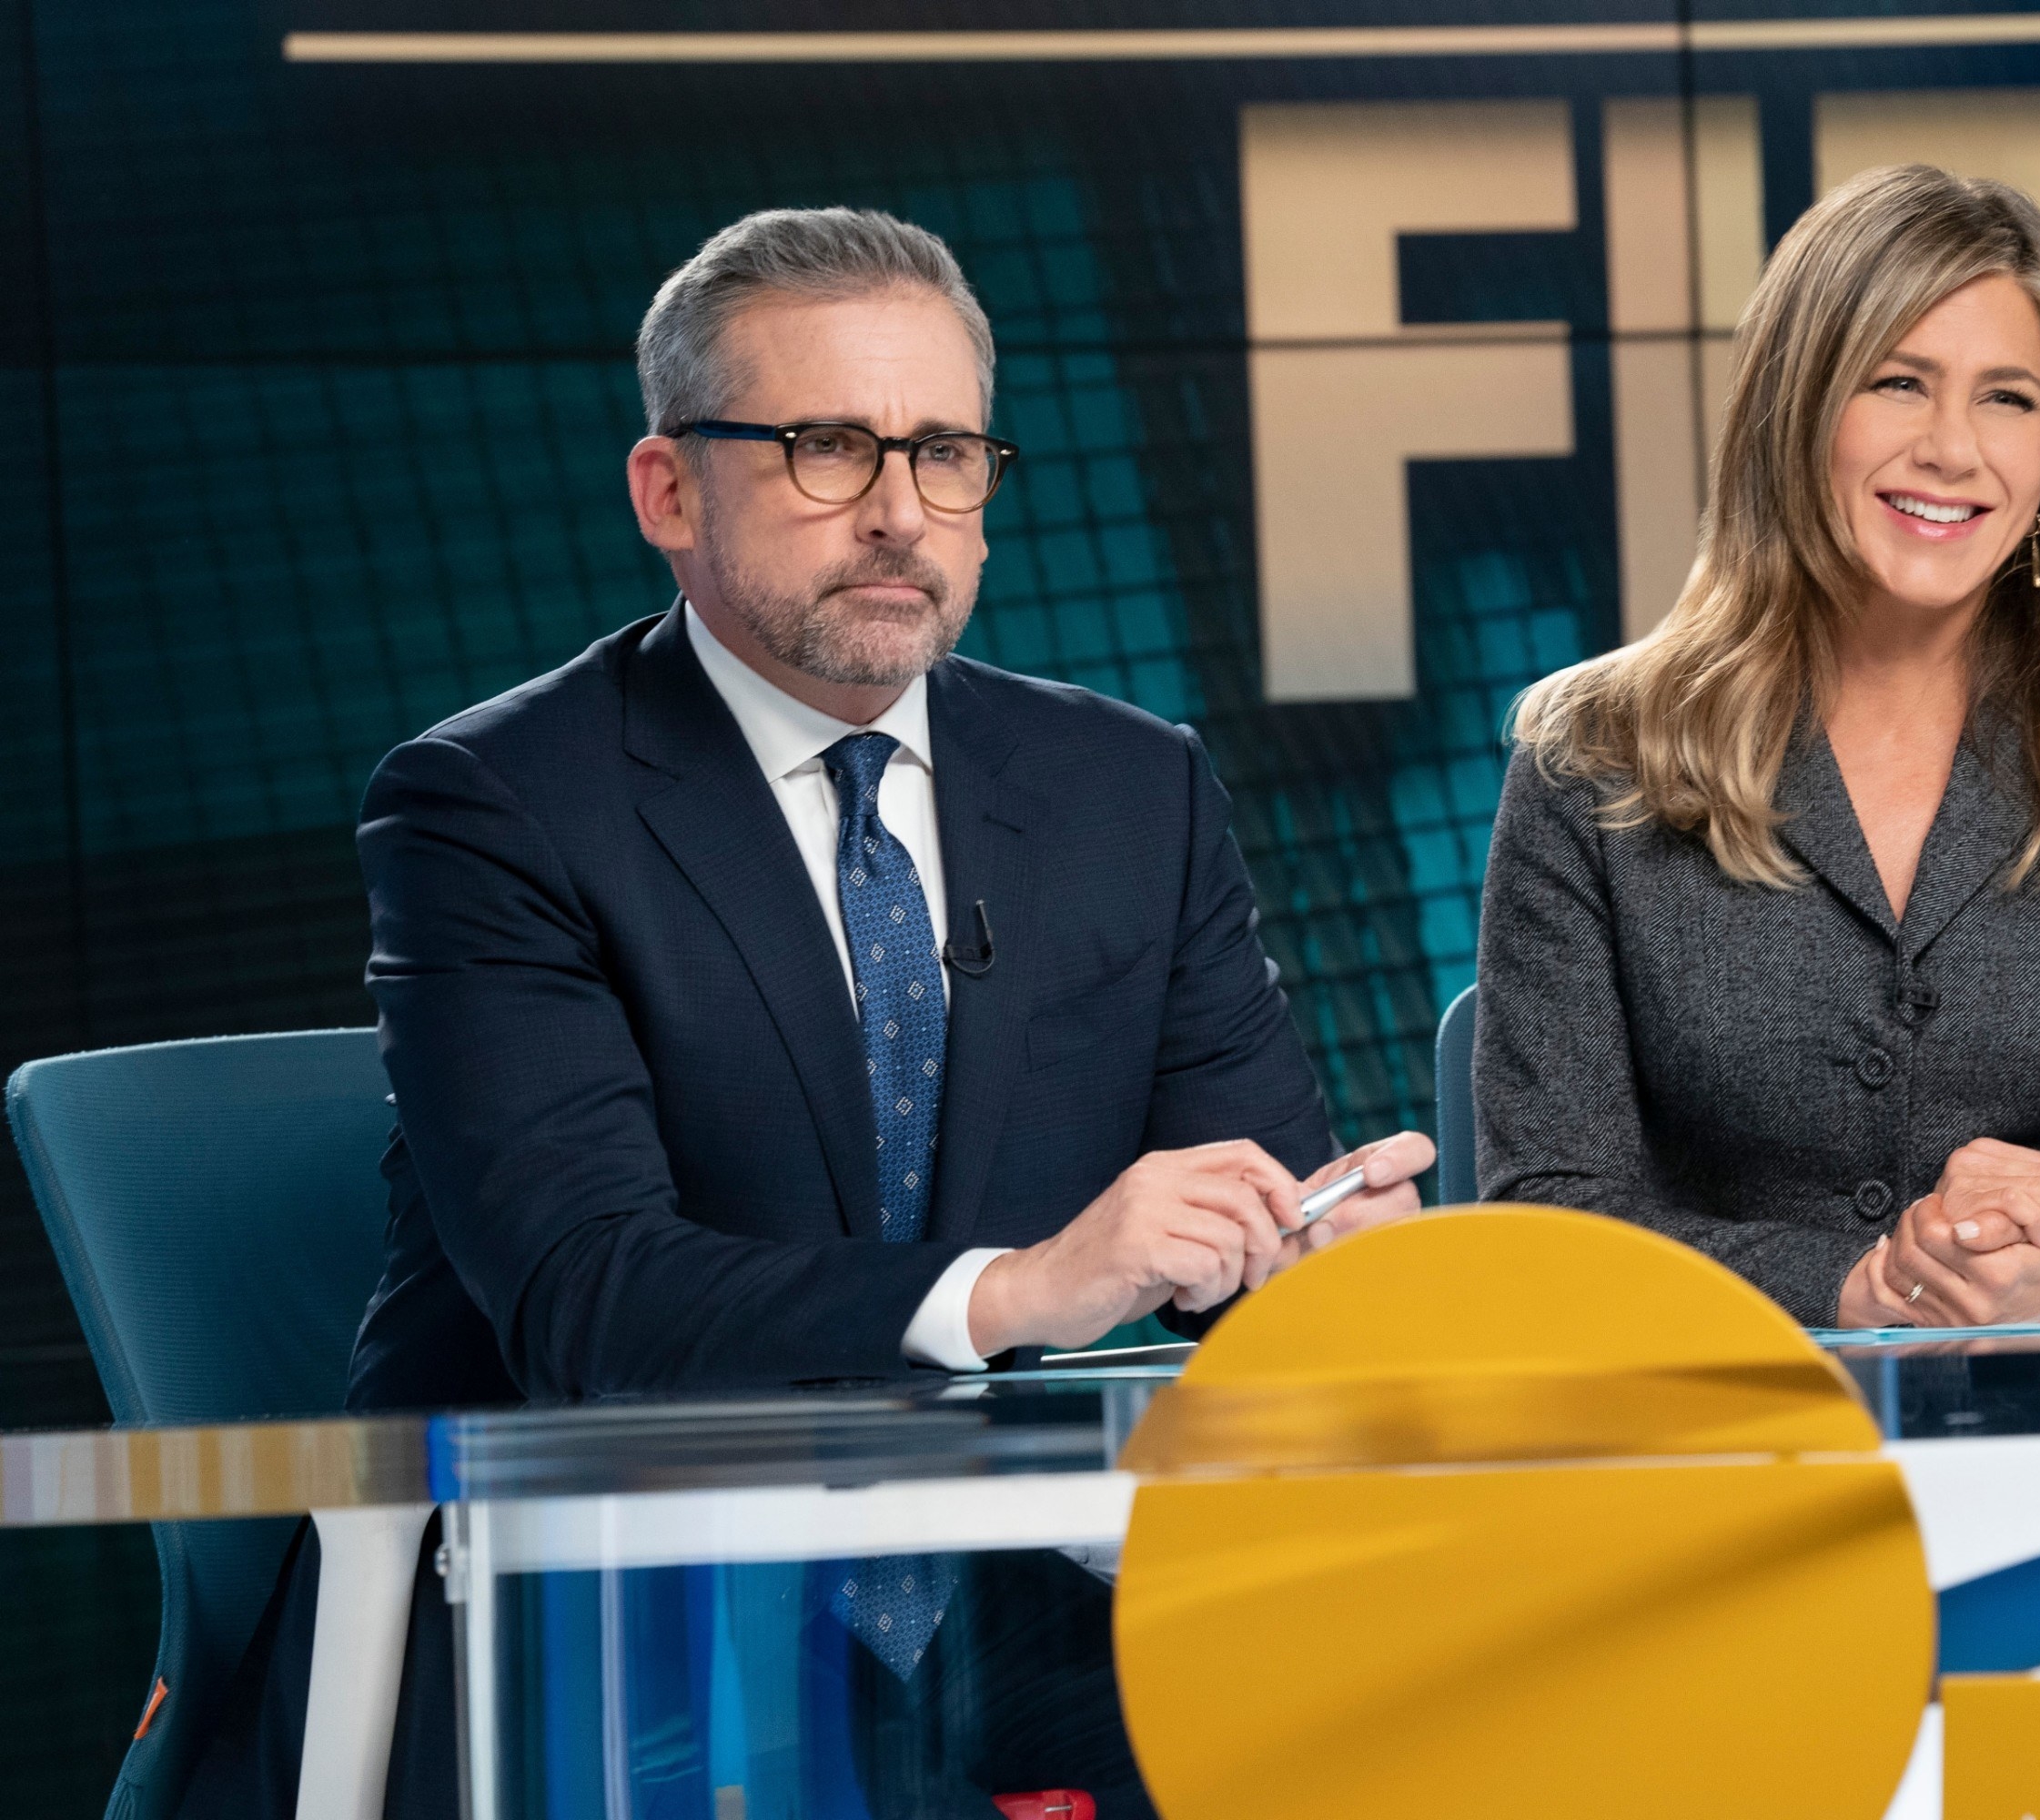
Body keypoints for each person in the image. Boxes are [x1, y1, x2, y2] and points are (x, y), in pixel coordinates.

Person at [185, 206, 1429, 1818]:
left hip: (996, 1587)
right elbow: (588, 1301)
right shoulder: (492, 804)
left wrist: (1314, 1261)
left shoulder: (1134, 787)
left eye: (948, 455)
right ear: (667, 489)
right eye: (827, 448)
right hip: (592, 1600)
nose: (901, 513)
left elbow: (1239, 1215)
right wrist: (1016, 1293)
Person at [1474, 165, 2040, 1330]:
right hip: (1715, 1437)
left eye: (2009, 398)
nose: (1953, 449)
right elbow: (1549, 1220)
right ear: (1796, 408)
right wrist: (1849, 1288)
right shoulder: (1592, 760)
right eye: (1900, 383)